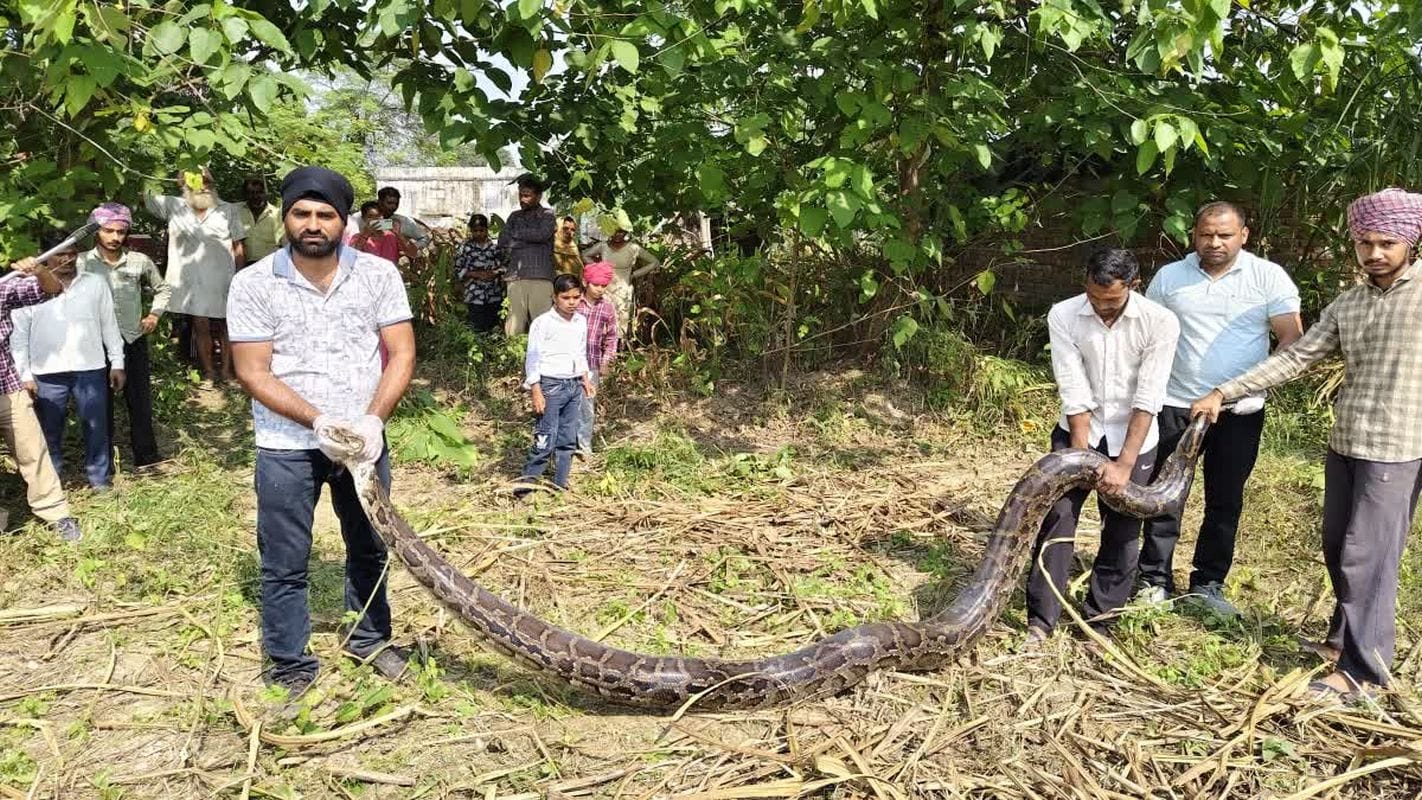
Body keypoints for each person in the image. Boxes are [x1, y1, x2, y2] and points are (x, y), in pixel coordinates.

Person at [1193, 188, 1422, 701]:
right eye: (1365, 243)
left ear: (1411, 241)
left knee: (1369, 554)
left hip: (1400, 445)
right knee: (1340, 545)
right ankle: (1343, 641)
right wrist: (1224, 391)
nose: (1375, 253)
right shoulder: (1351, 302)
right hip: (1347, 440)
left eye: (1387, 242)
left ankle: (1365, 673)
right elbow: (1295, 358)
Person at [227, 166, 417, 695]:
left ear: (344, 221)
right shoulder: (253, 283)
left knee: (369, 545)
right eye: (302, 214)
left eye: (325, 215)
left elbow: (401, 353)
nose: (313, 225)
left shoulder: (378, 275)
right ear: (287, 217)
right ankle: (289, 662)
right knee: (285, 560)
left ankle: (371, 639)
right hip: (287, 444)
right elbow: (252, 370)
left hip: (363, 442)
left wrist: (373, 419)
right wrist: (318, 420)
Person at [1138, 202, 1304, 616]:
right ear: (1193, 234)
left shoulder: (1268, 278)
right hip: (1174, 403)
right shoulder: (1169, 277)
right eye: (1206, 234)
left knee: (1225, 499)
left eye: (1224, 235)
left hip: (1239, 412)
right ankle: (1153, 578)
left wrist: (1251, 387)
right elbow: (1146, 332)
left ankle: (1208, 583)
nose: (1214, 242)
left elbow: (1292, 341)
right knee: (1164, 495)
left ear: (1243, 235)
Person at [1024, 249, 1179, 646]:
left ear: (1133, 285)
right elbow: (1072, 387)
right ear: (1085, 284)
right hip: (1078, 435)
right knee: (1057, 519)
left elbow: (1149, 396)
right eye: (1094, 298)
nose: (1101, 307)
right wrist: (1081, 459)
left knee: (1123, 532)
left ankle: (1100, 620)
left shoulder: (1159, 322)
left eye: (1110, 300)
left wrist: (1124, 465)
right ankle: (1041, 620)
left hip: (1135, 439)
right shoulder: (1064, 314)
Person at [10, 239, 126, 491]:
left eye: (72, 254)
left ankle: (99, 480)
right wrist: (25, 375)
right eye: (60, 255)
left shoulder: (94, 283)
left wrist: (117, 362)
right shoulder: (27, 290)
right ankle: (52, 484)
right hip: (46, 373)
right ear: (45, 257)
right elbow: (18, 336)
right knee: (48, 431)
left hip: (91, 367)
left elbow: (109, 324)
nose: (67, 260)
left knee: (96, 427)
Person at [80, 203, 172, 473]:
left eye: (121, 231)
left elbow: (163, 288)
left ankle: (147, 457)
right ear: (97, 231)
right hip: (95, 344)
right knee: (99, 405)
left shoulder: (138, 261)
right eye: (108, 231)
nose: (115, 237)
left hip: (132, 340)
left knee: (140, 401)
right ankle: (102, 464)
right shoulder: (82, 262)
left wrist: (154, 315)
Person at [1, 253, 82, 541]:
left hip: (7, 387)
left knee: (33, 450)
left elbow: (51, 290)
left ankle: (56, 514)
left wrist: (38, 271)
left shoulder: (3, 287)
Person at [145, 168, 246, 384]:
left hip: (223, 279)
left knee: (227, 326)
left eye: (207, 181)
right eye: (196, 181)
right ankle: (209, 372)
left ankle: (228, 372)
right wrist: (160, 171)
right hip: (191, 280)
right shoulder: (173, 206)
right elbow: (144, 192)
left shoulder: (227, 210)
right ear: (184, 184)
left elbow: (238, 245)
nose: (203, 186)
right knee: (200, 324)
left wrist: (240, 276)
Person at [515, 274, 595, 496]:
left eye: (576, 297)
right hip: (550, 385)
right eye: (565, 297)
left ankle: (560, 483)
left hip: (573, 385)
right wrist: (536, 390)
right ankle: (526, 488)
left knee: (567, 438)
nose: (571, 302)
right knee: (545, 438)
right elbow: (533, 358)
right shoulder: (543, 323)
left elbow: (580, 353)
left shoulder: (580, 321)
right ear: (554, 297)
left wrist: (585, 379)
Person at [498, 174, 557, 336]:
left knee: (543, 325)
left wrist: (516, 236)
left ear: (538, 196)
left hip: (541, 276)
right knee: (513, 327)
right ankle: (513, 359)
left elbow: (542, 235)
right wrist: (530, 238)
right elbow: (503, 241)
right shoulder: (514, 216)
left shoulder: (548, 215)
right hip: (516, 278)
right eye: (520, 195)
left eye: (527, 195)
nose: (522, 199)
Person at [581, 228, 660, 339]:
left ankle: (619, 350)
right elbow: (585, 255)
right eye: (615, 231)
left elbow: (654, 262)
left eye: (621, 232)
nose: (618, 234)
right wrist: (600, 269)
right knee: (602, 317)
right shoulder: (603, 246)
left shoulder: (633, 248)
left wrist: (635, 274)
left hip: (624, 288)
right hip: (604, 288)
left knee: (622, 319)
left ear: (626, 233)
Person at [575, 261, 619, 457]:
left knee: (587, 406)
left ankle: (584, 446)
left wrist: (607, 361)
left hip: (591, 363)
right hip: (567, 362)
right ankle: (565, 445)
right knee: (566, 403)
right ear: (586, 282)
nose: (600, 289)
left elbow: (611, 337)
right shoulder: (574, 302)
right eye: (596, 285)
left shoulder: (607, 308)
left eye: (603, 286)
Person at [452, 213, 506, 334]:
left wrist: (495, 273)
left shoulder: (495, 248)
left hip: (493, 294)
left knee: (493, 328)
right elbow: (457, 270)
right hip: (474, 296)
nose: (478, 233)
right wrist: (475, 274)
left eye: (481, 230)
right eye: (475, 230)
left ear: (487, 229)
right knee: (476, 329)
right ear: (471, 230)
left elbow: (505, 266)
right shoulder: (464, 248)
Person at [351, 201, 418, 265]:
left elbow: (413, 254)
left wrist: (399, 234)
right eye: (370, 217)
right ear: (363, 219)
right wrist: (365, 235)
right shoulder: (357, 238)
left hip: (390, 275)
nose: (375, 220)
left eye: (378, 216)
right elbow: (351, 257)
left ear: (383, 217)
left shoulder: (392, 236)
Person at [240, 176, 284, 263]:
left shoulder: (276, 214)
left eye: (259, 192)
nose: (255, 196)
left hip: (269, 265)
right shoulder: (236, 212)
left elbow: (283, 244)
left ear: (265, 193)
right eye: (251, 193)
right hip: (243, 266)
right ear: (245, 194)